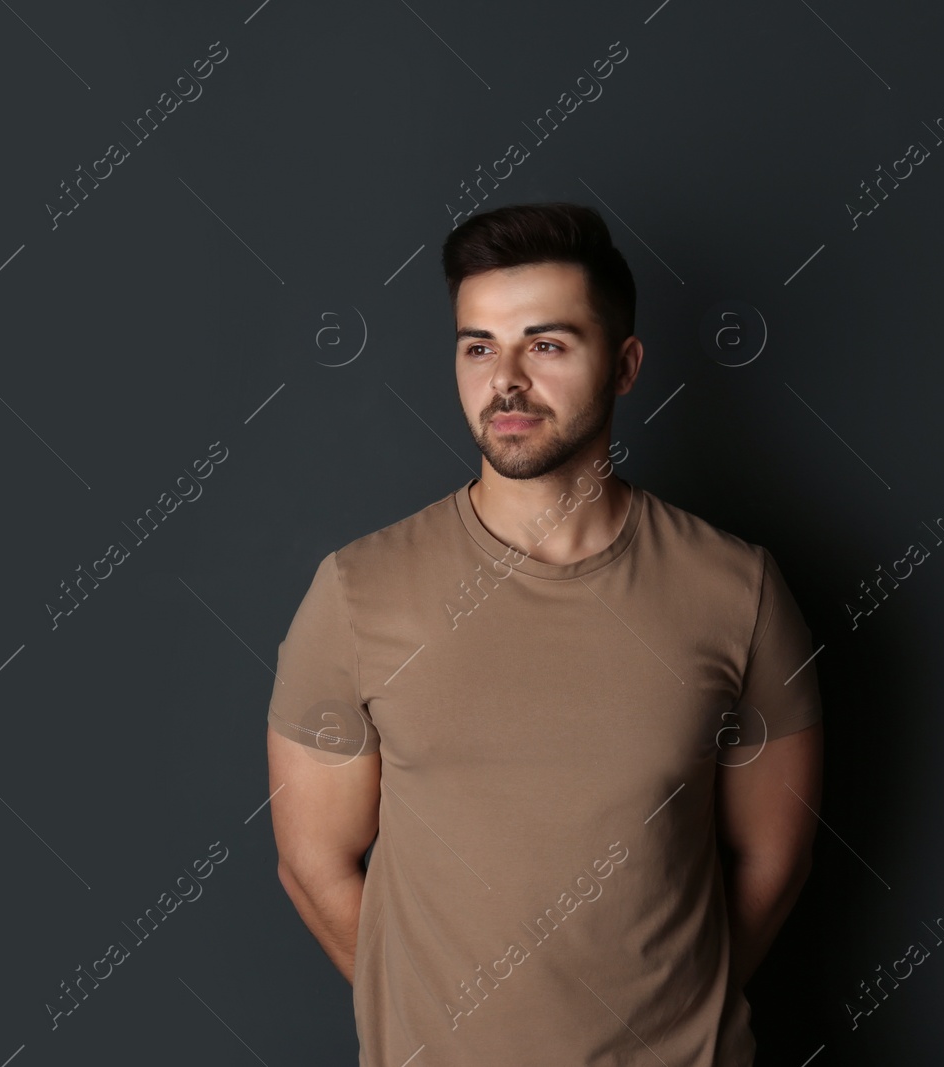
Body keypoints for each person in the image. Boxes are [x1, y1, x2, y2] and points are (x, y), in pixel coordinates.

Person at [266, 201, 824, 1066]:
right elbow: (313, 865)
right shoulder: (358, 591)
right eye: (478, 345)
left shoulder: (738, 588)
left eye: (547, 344)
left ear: (627, 363)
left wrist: (669, 1024)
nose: (507, 379)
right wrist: (431, 1023)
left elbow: (771, 862)